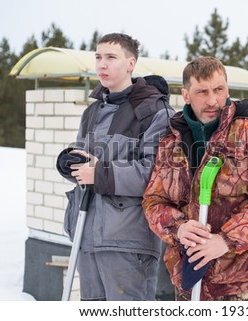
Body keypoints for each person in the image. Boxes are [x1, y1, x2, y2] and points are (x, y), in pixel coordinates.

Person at [142, 56, 248, 301]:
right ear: (186, 95)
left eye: (219, 89)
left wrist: (225, 240)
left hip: (243, 278)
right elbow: (154, 201)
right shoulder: (172, 140)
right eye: (202, 92)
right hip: (190, 275)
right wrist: (179, 228)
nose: (212, 100)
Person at [56, 33, 174, 300]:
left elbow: (156, 175)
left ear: (131, 64)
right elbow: (86, 165)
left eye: (111, 57)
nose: (102, 65)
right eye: (98, 57)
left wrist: (99, 173)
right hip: (87, 233)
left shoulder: (155, 112)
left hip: (127, 239)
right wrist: (71, 164)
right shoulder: (92, 111)